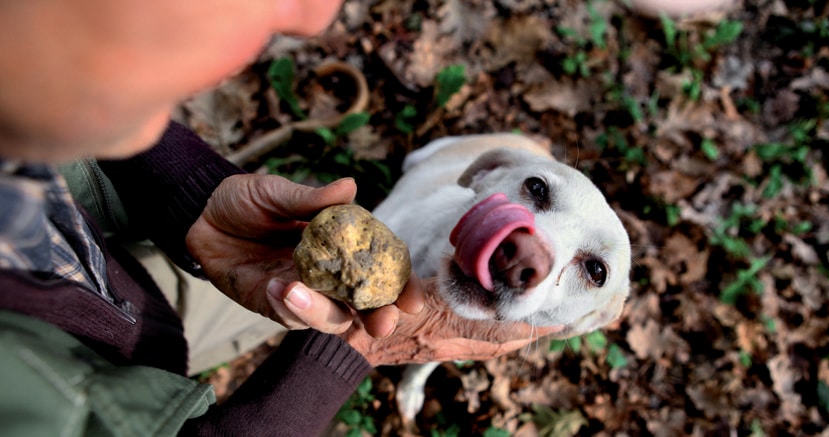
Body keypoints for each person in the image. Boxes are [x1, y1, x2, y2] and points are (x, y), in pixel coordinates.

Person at [0, 0, 562, 435]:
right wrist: (348, 358)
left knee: (284, 301)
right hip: (102, 352)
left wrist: (192, 200)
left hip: (111, 291)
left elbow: (55, 80)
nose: (313, 18)